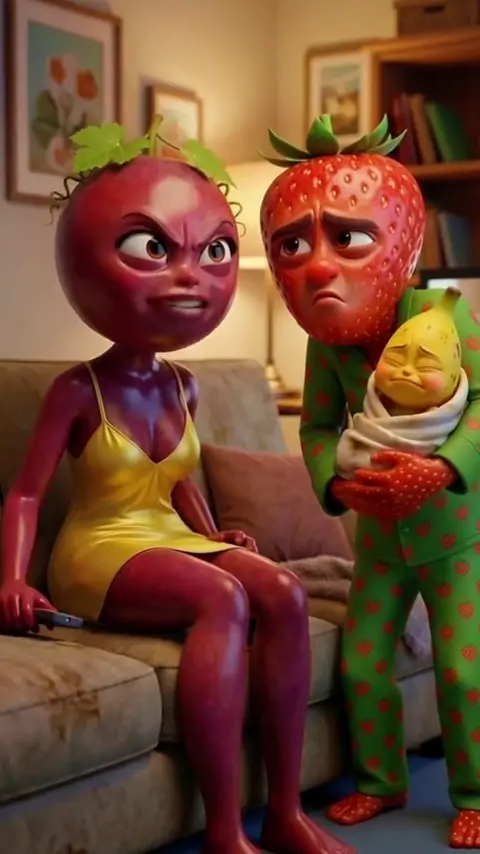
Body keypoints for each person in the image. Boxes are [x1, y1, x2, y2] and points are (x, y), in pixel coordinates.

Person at [0, 120, 353, 854]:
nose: (190, 275)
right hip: (100, 551)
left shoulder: (185, 386)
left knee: (284, 592)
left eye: (212, 252)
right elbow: (27, 494)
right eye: (155, 248)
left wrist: (209, 530)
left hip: (171, 540)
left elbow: (180, 475)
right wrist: (12, 578)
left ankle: (286, 813)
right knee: (221, 597)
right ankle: (225, 831)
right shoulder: (77, 390)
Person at [260, 113, 480, 849]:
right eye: (294, 245)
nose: (319, 267)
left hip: (455, 538)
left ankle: (474, 793)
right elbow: (318, 427)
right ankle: (382, 783)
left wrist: (443, 468)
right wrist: (335, 485)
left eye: (347, 238)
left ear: (402, 243)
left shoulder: (444, 316)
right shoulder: (326, 346)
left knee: (463, 671)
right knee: (361, 664)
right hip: (379, 542)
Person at [335, 285, 469, 480]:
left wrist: (439, 470)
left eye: (426, 366)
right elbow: (317, 428)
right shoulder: (327, 327)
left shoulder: (459, 317)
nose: (406, 370)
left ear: (454, 378)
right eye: (395, 360)